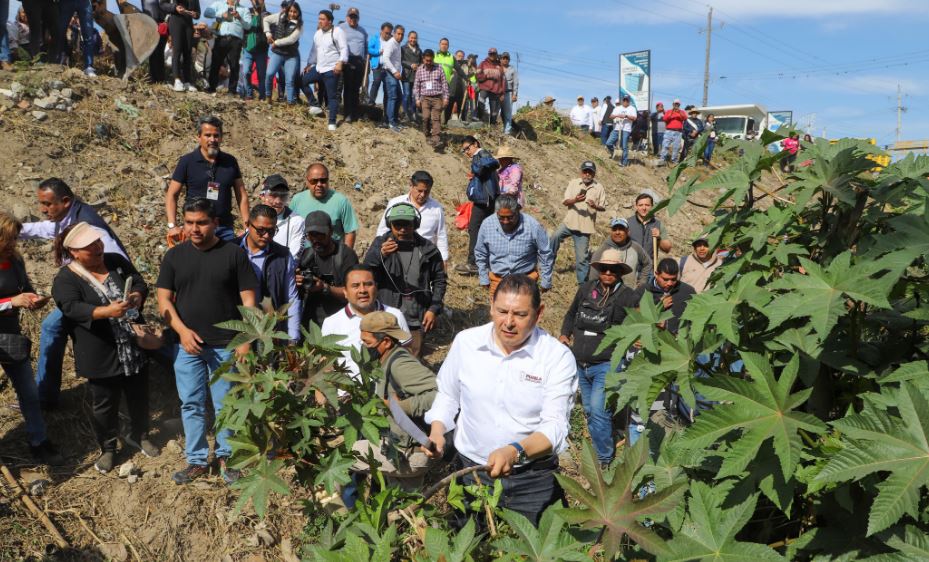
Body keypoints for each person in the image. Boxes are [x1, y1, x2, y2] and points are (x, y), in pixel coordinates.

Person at [423, 274, 577, 526]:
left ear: (539, 314)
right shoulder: (467, 343)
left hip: (532, 480)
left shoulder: (555, 357)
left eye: (519, 314)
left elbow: (555, 425)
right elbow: (448, 394)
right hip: (471, 473)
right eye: (502, 311)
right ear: (491, 306)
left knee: (543, 549)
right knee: (467, 546)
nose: (508, 322)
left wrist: (515, 451)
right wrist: (438, 430)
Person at [156, 198, 258, 485]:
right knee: (191, 403)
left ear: (215, 223)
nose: (194, 228)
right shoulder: (175, 257)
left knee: (226, 404)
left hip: (225, 344)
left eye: (201, 222)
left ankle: (227, 457)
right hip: (187, 346)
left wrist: (245, 338)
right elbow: (163, 299)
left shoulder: (233, 255)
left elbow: (249, 300)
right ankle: (197, 460)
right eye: (189, 222)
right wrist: (182, 331)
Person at [52, 223, 157, 473]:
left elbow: (140, 282)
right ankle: (108, 447)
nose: (98, 248)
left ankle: (140, 434)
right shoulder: (67, 278)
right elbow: (71, 308)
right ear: (75, 253)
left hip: (132, 345)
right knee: (105, 403)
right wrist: (104, 312)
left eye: (98, 243)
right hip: (102, 351)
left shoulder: (115, 260)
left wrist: (137, 297)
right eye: (90, 247)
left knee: (138, 394)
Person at [19, 178, 128, 409]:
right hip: (83, 291)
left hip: (100, 296)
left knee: (52, 328)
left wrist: (116, 300)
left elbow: (118, 261)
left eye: (47, 204)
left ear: (66, 201)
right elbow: (45, 229)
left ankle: (45, 398)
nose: (42, 209)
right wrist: (14, 230)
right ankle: (46, 397)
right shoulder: (66, 218)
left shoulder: (90, 227)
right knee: (53, 328)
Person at [559, 249, 636, 466]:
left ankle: (604, 458)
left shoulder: (628, 296)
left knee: (599, 410)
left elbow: (641, 318)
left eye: (613, 269)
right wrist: (565, 334)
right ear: (599, 270)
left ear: (620, 272)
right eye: (605, 268)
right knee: (591, 410)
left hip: (607, 363)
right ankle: (606, 440)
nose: (608, 272)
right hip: (580, 362)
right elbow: (571, 314)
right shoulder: (585, 289)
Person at [348, 312, 438, 499]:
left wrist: (401, 406)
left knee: (342, 457)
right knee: (404, 505)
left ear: (387, 342)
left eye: (367, 343)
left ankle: (343, 512)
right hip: (403, 447)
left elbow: (438, 393)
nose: (363, 347)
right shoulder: (384, 360)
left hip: (410, 453)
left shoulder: (400, 364)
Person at [0, 213, 62, 465]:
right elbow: (11, 299)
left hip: (10, 337)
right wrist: (9, 303)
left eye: (15, 238)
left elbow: (24, 288)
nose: (13, 244)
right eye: (8, 239)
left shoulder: (15, 261)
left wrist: (32, 299)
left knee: (28, 390)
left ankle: (39, 440)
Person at [365, 203, 446, 357]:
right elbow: (366, 271)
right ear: (390, 225)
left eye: (407, 225)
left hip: (415, 316)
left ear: (415, 224)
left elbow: (439, 280)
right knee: (380, 358)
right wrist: (380, 254)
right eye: (397, 225)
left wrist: (433, 309)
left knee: (410, 359)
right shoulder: (380, 244)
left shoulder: (428, 249)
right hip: (386, 314)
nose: (402, 229)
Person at [166, 115, 249, 243]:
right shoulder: (187, 161)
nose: (213, 139)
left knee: (226, 263)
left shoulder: (230, 161)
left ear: (221, 137)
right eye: (208, 135)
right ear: (198, 137)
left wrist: (247, 226)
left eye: (216, 135)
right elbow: (172, 194)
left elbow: (241, 195)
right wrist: (172, 226)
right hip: (196, 230)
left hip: (224, 229)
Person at [321, 265, 410, 379]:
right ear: (345, 292)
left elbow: (407, 355)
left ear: (376, 287)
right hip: (348, 394)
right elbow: (325, 367)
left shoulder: (395, 315)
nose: (362, 290)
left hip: (385, 393)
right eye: (355, 286)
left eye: (368, 284)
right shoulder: (331, 323)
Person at [237, 205, 300, 341]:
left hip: (269, 331)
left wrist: (293, 337)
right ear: (247, 224)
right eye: (260, 230)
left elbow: (291, 298)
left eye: (272, 231)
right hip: (236, 330)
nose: (266, 236)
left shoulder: (282, 255)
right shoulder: (231, 250)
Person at [475, 195, 553, 295]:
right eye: (501, 218)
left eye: (510, 217)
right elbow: (481, 252)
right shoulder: (487, 224)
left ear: (517, 211)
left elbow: (545, 253)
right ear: (496, 213)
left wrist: (546, 280)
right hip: (498, 281)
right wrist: (483, 277)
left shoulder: (532, 225)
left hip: (526, 282)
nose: (506, 222)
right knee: (500, 310)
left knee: (523, 310)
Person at [296, 211, 358, 328]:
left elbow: (353, 292)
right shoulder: (306, 256)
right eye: (311, 235)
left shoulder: (346, 256)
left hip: (340, 321)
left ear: (331, 232)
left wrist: (325, 287)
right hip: (311, 321)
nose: (315, 240)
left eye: (320, 235)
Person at [550, 161, 607, 284]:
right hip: (569, 222)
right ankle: (548, 265)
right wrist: (575, 200)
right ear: (581, 172)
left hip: (585, 228)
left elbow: (603, 207)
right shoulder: (573, 183)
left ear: (594, 174)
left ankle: (582, 286)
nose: (587, 174)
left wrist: (595, 206)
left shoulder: (599, 187)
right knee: (554, 237)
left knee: (582, 259)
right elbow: (565, 202)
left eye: (590, 172)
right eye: (585, 171)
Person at [376, 171, 449, 266]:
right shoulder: (396, 203)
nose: (423, 195)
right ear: (411, 186)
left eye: (426, 191)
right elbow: (382, 231)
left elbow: (441, 236)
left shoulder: (436, 208)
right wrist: (382, 251)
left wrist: (444, 261)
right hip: (397, 256)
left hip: (425, 259)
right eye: (419, 191)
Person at [456, 136, 499, 275]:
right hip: (486, 199)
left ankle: (473, 263)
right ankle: (484, 263)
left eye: (468, 148)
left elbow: (492, 164)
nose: (467, 152)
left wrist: (476, 169)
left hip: (484, 201)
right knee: (482, 230)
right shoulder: (481, 155)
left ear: (475, 144)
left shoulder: (481, 153)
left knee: (474, 229)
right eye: (464, 150)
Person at [289, 162, 359, 249]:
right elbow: (289, 227)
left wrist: (345, 256)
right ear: (307, 181)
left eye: (323, 180)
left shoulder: (341, 201)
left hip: (331, 257)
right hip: (303, 257)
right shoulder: (297, 200)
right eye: (314, 181)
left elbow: (350, 232)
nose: (319, 185)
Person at [301, 9, 347, 130]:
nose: (320, 21)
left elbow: (344, 49)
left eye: (322, 19)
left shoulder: (337, 31)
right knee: (302, 80)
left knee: (332, 96)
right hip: (318, 68)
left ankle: (332, 122)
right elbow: (313, 51)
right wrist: (309, 64)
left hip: (331, 70)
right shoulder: (317, 34)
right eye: (319, 19)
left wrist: (340, 63)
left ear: (330, 21)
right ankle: (315, 105)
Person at [634, 257, 695, 335]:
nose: (669, 283)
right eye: (665, 279)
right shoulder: (643, 292)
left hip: (677, 343)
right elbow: (632, 317)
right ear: (656, 274)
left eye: (673, 279)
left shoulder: (687, 292)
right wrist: (658, 307)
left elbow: (695, 319)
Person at [589, 218, 652, 289]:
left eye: (621, 229)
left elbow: (648, 263)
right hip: (609, 295)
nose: (617, 232)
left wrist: (642, 282)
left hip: (630, 292)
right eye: (614, 229)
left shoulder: (635, 247)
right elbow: (593, 276)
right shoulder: (603, 250)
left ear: (628, 232)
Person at [204, 0, 250, 94]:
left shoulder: (245, 9)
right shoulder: (218, 4)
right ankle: (212, 87)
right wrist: (221, 14)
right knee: (215, 63)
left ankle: (232, 90)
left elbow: (248, 26)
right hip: (221, 38)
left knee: (234, 65)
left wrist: (239, 17)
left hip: (236, 40)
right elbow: (206, 13)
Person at [262, 1, 302, 104]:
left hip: (291, 56)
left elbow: (291, 39)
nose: (292, 14)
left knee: (289, 80)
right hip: (278, 53)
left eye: (295, 12)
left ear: (298, 13)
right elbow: (266, 19)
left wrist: (276, 42)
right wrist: (268, 33)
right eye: (291, 11)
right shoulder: (279, 16)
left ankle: (290, 103)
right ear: (288, 10)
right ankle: (268, 97)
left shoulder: (299, 25)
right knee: (269, 74)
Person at [258, 174, 304, 258]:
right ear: (262, 196)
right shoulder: (253, 218)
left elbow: (294, 257)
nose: (278, 201)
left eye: (283, 196)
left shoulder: (297, 221)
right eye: (273, 195)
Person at [413, 48, 448, 150]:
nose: (428, 62)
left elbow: (444, 84)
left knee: (436, 118)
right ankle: (427, 134)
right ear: (423, 59)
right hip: (425, 98)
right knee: (426, 117)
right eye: (426, 60)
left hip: (437, 98)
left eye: (430, 60)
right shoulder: (419, 69)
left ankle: (436, 138)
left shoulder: (439, 68)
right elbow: (416, 85)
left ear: (433, 59)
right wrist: (417, 99)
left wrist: (445, 98)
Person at [338, 7, 367, 122]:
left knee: (356, 89)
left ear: (358, 18)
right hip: (347, 60)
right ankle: (347, 114)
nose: (353, 19)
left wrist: (364, 61)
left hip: (359, 61)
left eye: (355, 17)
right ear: (347, 17)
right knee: (348, 87)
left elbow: (365, 47)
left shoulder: (363, 31)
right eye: (351, 16)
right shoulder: (341, 28)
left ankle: (355, 113)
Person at [164, 0, 200, 92]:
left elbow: (198, 12)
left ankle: (187, 82)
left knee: (188, 52)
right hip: (176, 20)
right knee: (177, 50)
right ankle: (177, 80)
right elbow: (163, 4)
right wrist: (175, 7)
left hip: (188, 23)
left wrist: (195, 14)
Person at [58, 0, 95, 75]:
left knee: (88, 34)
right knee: (60, 32)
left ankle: (89, 67)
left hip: (84, 2)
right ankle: (61, 60)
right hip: (66, 2)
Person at [379, 24, 404, 132]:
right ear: (394, 33)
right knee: (393, 97)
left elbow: (397, 61)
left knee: (399, 97)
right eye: (398, 34)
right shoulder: (391, 43)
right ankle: (391, 122)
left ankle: (394, 120)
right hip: (389, 73)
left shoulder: (398, 45)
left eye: (402, 34)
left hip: (395, 74)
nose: (400, 36)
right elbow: (385, 59)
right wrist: (394, 71)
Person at [366, 22, 392, 111]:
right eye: (386, 33)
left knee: (387, 86)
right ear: (381, 31)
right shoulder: (375, 38)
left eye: (389, 33)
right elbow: (369, 49)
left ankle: (386, 106)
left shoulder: (391, 41)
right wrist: (378, 52)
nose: (387, 35)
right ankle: (371, 101)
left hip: (387, 67)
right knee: (376, 81)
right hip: (377, 65)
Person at [476, 48, 504, 125]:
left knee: (494, 110)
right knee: (481, 101)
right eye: (490, 54)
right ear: (488, 54)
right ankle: (479, 120)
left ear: (496, 55)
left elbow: (503, 80)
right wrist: (485, 76)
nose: (492, 55)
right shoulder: (483, 63)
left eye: (494, 54)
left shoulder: (499, 66)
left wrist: (502, 92)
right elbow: (477, 75)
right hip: (484, 87)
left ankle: (492, 125)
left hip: (495, 90)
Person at [606, 96, 637, 166]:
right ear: (622, 101)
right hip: (617, 128)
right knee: (608, 143)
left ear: (629, 101)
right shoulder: (618, 108)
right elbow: (611, 116)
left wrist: (626, 116)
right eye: (624, 100)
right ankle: (613, 152)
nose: (625, 102)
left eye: (627, 100)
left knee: (624, 146)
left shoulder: (632, 108)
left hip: (626, 129)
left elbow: (634, 118)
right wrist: (618, 115)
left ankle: (624, 162)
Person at [400, 30, 421, 124]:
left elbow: (422, 62)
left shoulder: (419, 50)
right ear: (408, 38)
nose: (413, 39)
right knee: (407, 94)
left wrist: (418, 65)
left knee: (414, 96)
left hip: (416, 76)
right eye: (411, 37)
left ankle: (413, 113)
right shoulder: (403, 48)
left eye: (415, 38)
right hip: (406, 75)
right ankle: (405, 113)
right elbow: (401, 61)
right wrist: (411, 65)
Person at [659, 99, 687, 165]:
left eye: (677, 104)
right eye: (675, 104)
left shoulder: (682, 112)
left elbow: (685, 118)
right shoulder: (669, 111)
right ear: (673, 104)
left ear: (679, 105)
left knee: (676, 147)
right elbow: (665, 118)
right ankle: (662, 159)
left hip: (678, 132)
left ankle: (674, 160)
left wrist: (678, 113)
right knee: (665, 145)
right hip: (669, 131)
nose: (676, 105)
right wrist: (672, 113)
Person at [500, 52, 518, 135]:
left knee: (508, 113)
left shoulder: (512, 69)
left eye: (507, 58)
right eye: (503, 58)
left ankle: (507, 131)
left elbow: (516, 82)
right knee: (496, 112)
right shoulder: (497, 67)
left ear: (509, 60)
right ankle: (494, 128)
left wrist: (515, 94)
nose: (505, 60)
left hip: (508, 93)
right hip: (498, 93)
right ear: (501, 59)